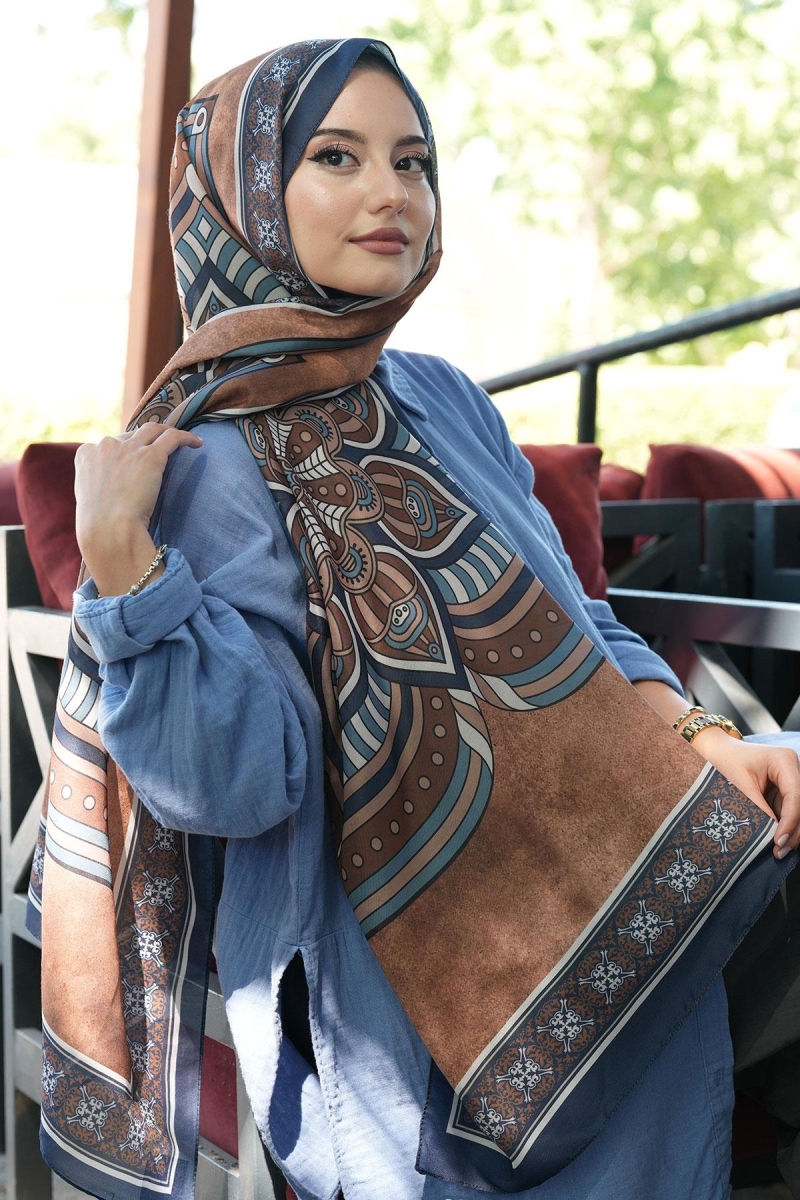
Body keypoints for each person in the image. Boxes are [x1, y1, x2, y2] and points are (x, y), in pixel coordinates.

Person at [31, 38, 800, 1200]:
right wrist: (126, 570)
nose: (391, 193)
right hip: (396, 979)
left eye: (413, 160)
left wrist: (701, 738)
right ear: (245, 195)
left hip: (602, 861)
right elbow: (235, 785)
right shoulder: (204, 462)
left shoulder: (440, 395)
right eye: (336, 157)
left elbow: (579, 621)